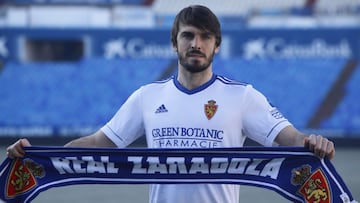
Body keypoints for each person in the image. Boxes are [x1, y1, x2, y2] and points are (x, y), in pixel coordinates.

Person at [7, 5, 335, 203]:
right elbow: (97, 143)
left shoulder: (242, 96)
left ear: (216, 45)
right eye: (188, 35)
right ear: (174, 42)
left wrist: (311, 142)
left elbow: (287, 138)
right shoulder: (147, 97)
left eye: (206, 37)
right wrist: (40, 156)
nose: (196, 43)